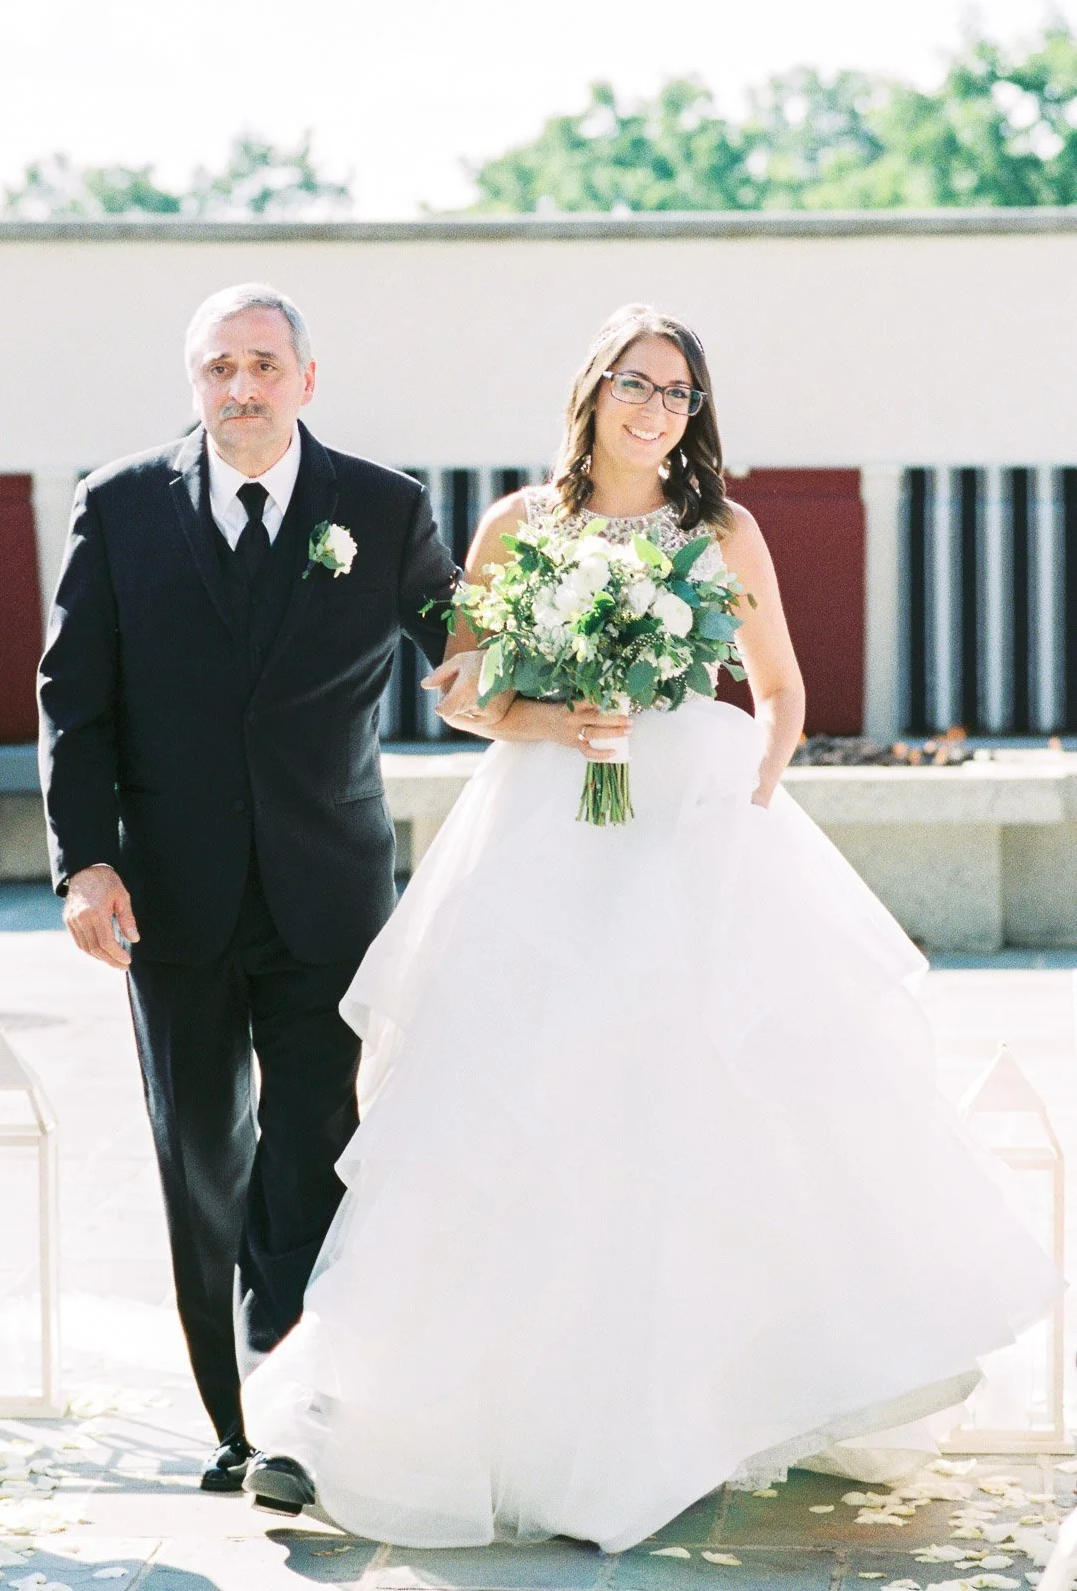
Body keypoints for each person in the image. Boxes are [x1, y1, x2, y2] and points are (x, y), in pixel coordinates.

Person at [240, 303, 1063, 1550]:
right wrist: (564, 721)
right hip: (545, 836)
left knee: (688, 1117)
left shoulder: (723, 529)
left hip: (691, 837)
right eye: (638, 383)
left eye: (679, 393)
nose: (657, 409)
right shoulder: (522, 523)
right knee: (508, 1109)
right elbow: (465, 694)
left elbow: (779, 693)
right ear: (594, 389)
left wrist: (746, 800)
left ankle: (678, 1425)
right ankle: (397, 1416)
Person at [37, 283, 467, 1497]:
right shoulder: (118, 506)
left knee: (315, 1146)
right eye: (219, 365)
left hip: (329, 893)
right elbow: (75, 697)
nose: (242, 386)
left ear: (308, 379)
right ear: (195, 380)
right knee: (202, 1157)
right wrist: (86, 861)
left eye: (264, 364)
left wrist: (587, 676)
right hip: (167, 898)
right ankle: (230, 1413)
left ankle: (295, 1416)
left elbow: (467, 662)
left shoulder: (382, 509)